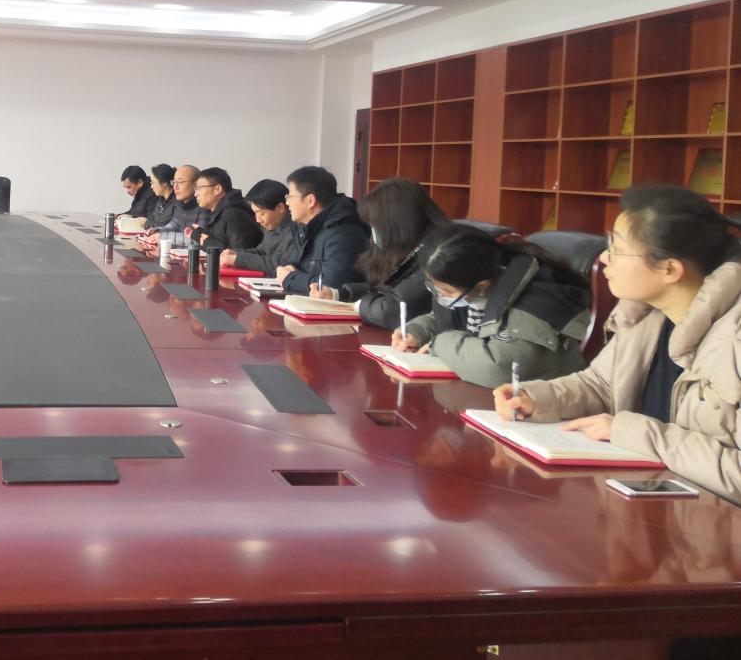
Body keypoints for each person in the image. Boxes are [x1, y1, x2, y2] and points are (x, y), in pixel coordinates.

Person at [495, 185, 741, 506]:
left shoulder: (733, 341)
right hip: (650, 505)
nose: (602, 257)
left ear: (669, 269)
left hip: (714, 524)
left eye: (617, 247)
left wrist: (633, 432)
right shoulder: (646, 314)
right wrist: (537, 398)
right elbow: (600, 384)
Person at [394, 222, 590, 387]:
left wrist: (439, 344)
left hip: (538, 406)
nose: (440, 295)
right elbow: (446, 316)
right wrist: (418, 331)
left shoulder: (534, 305)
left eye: (446, 290)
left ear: (481, 286)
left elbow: (496, 367)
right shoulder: (481, 285)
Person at [312, 177, 448, 330]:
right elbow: (387, 291)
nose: (374, 231)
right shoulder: (410, 245)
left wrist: (358, 306)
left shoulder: (439, 251)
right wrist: (340, 294)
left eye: (376, 224)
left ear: (396, 222)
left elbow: (392, 310)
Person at [277, 166, 368, 294]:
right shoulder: (305, 227)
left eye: (290, 196)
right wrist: (289, 267)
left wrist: (289, 279)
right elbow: (294, 263)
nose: (287, 203)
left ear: (310, 201)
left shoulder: (343, 234)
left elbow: (329, 288)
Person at [221, 179, 298, 275]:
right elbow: (262, 252)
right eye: (255, 213)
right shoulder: (272, 225)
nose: (258, 220)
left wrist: (239, 259)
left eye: (261, 213)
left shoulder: (298, 231)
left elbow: (282, 265)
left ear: (280, 208)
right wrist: (236, 253)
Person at [188, 167, 262, 250]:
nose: (195, 194)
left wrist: (208, 243)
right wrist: (201, 234)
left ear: (217, 189)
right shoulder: (219, 211)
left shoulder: (234, 213)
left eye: (199, 188)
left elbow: (239, 253)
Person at [143, 164, 207, 248]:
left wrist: (163, 237)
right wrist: (158, 230)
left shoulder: (204, 205)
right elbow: (174, 225)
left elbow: (198, 239)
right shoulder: (180, 203)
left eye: (180, 182)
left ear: (196, 184)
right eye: (174, 182)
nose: (175, 187)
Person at [146, 164, 178, 230]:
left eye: (153, 182)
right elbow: (148, 222)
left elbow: (165, 225)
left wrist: (152, 225)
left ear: (164, 183)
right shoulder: (160, 200)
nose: (151, 186)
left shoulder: (177, 202)